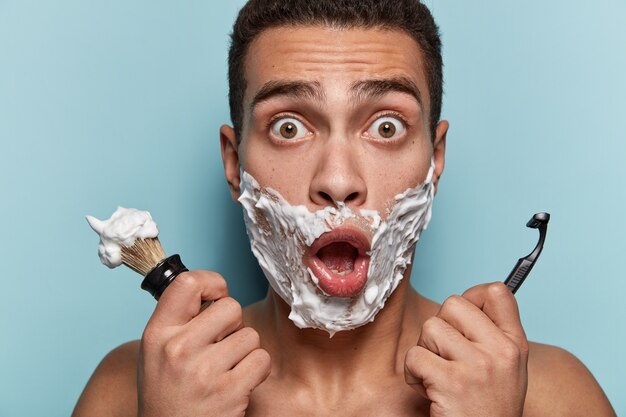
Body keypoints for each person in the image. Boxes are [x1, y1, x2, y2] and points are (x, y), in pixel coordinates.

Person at [72, 1, 616, 416]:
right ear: (235, 163)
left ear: (435, 158)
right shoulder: (132, 388)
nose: (337, 181)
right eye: (289, 127)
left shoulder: (550, 396)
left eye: (386, 126)